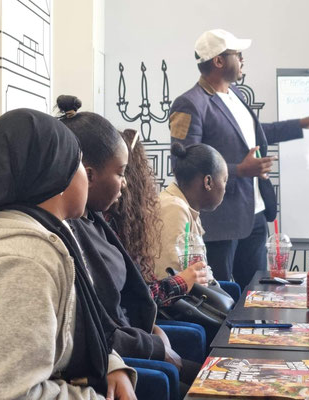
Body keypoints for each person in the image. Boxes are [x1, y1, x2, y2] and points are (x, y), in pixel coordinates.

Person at [0, 109, 136, 400]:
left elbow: (62, 333)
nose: (86, 174)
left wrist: (109, 362)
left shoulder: (31, 242)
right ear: (56, 175)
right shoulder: (20, 264)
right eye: (79, 163)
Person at [57, 96, 201, 397]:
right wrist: (154, 345)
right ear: (89, 173)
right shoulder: (65, 238)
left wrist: (152, 329)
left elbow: (125, 304)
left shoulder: (94, 220)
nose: (126, 185)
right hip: (123, 353)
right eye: (121, 173)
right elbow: (91, 328)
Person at [169, 28, 309, 289]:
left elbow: (256, 134)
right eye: (238, 54)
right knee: (222, 298)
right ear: (219, 61)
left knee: (259, 293)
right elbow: (183, 163)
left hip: (254, 214)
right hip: (221, 221)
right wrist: (239, 170)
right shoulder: (189, 104)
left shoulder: (236, 95)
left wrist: (303, 123)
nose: (243, 60)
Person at [104, 129, 208, 308]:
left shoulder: (123, 223)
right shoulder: (110, 225)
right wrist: (183, 281)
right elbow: (140, 297)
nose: (124, 183)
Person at [154, 142, 228, 281]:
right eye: (224, 180)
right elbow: (169, 276)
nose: (225, 188)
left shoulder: (187, 207)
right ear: (208, 182)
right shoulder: (174, 209)